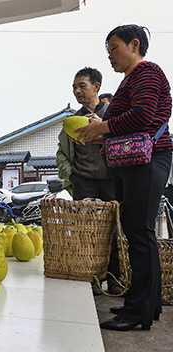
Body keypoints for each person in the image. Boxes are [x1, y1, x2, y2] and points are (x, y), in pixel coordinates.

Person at [77, 24, 172, 331]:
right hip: (136, 162)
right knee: (140, 233)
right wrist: (99, 131)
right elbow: (128, 122)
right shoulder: (133, 78)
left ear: (134, 45)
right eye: (107, 51)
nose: (110, 56)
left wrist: (102, 128)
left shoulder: (146, 72)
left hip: (148, 159)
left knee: (139, 233)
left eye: (114, 48)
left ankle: (136, 313)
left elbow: (143, 116)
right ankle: (147, 304)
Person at [56, 67, 122, 296]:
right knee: (86, 233)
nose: (77, 91)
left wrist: (103, 124)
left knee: (114, 232)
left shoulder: (113, 113)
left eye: (82, 86)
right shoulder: (71, 120)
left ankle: (114, 278)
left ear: (96, 86)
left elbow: (126, 141)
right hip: (83, 181)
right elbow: (61, 153)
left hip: (111, 181)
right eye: (74, 87)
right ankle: (91, 278)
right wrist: (71, 174)